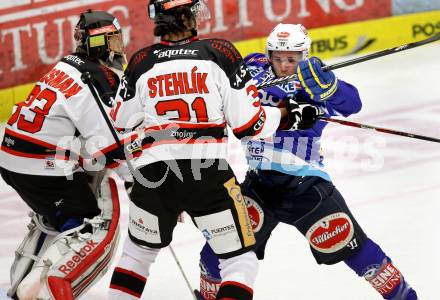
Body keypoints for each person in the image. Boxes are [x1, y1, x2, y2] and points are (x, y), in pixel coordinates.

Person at [106, 1, 312, 299]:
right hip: (206, 171)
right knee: (239, 261)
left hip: (153, 175)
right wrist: (285, 114)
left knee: (136, 257)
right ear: (189, 17)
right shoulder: (220, 52)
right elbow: (248, 125)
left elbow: (121, 123)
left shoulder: (140, 61)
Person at [198, 23, 418, 300]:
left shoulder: (314, 77)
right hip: (259, 186)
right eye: (277, 57)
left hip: (306, 187)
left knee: (358, 253)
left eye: (291, 58)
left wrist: (330, 88)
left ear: (304, 55)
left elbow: (353, 103)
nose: (284, 64)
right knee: (215, 252)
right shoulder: (254, 66)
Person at [0, 10, 131, 299]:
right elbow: (108, 145)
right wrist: (137, 181)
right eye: (112, 39)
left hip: (12, 157)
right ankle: (45, 291)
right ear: (98, 43)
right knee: (90, 226)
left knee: (55, 218)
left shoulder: (68, 65)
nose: (119, 45)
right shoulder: (96, 75)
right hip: (40, 165)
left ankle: (21, 285)